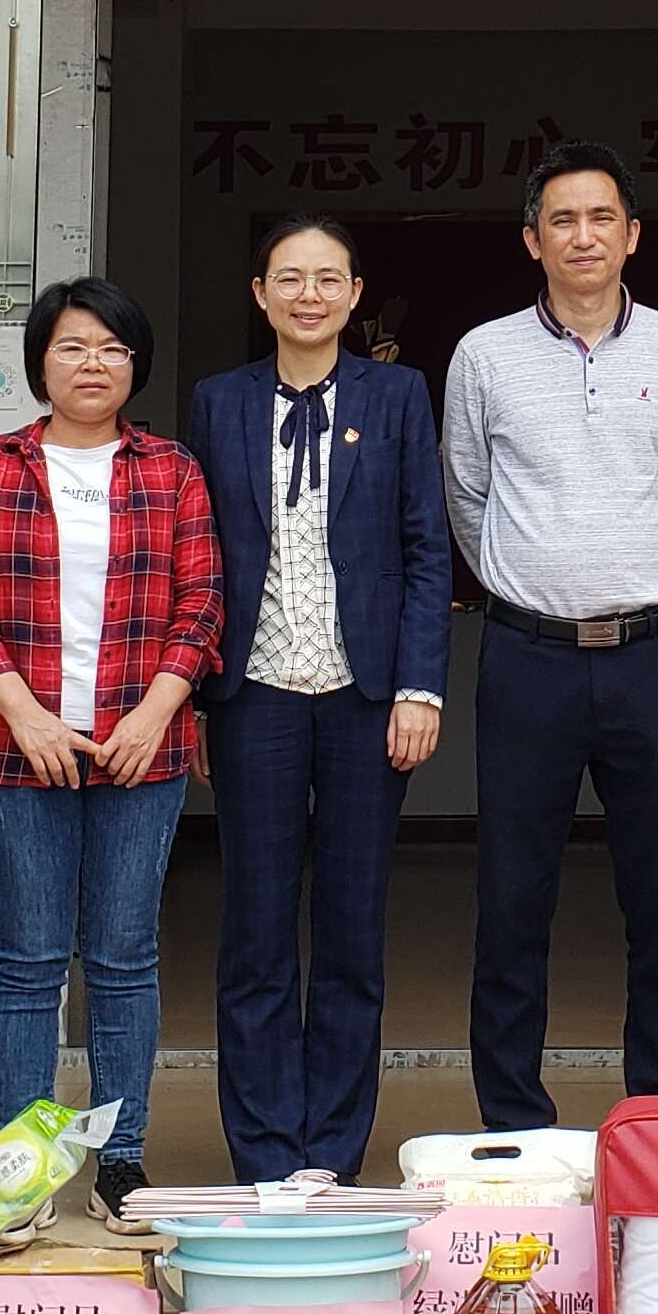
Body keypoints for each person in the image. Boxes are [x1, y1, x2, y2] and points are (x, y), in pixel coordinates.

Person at [0, 276, 222, 1235]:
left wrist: (155, 713)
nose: (92, 364)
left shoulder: (172, 469)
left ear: (135, 366)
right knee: (27, 959)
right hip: (18, 749)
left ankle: (121, 1160)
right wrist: (25, 714)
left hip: (143, 749)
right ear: (39, 363)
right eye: (72, 347)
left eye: (112, 349)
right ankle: (18, 1171)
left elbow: (202, 602)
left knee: (125, 958)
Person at [443, 140, 658, 1129]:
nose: (583, 236)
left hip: (652, 656)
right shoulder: (484, 355)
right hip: (529, 658)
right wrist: (533, 581)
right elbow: (467, 497)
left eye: (602, 218)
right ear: (532, 240)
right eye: (562, 220)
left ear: (633, 234)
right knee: (514, 898)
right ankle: (513, 1118)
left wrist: (646, 592)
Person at [188, 213, 455, 1181]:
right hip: (252, 693)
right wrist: (194, 696)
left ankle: (331, 1154)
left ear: (353, 293)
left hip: (363, 695)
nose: (309, 294)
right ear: (260, 295)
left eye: (328, 278)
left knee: (350, 932)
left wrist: (420, 686)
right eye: (289, 278)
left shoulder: (396, 395)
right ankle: (264, 1152)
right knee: (255, 933)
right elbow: (197, 556)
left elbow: (426, 547)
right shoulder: (219, 401)